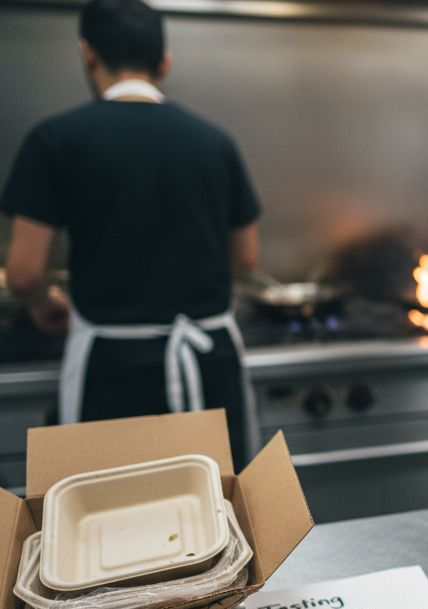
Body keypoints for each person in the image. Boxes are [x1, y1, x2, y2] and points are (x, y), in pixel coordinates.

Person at [1, 0, 261, 469]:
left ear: (87, 53)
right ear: (164, 63)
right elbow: (246, 259)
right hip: (209, 364)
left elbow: (21, 273)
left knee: (116, 524)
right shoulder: (214, 141)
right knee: (219, 517)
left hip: (113, 372)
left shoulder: (56, 139)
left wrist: (46, 302)